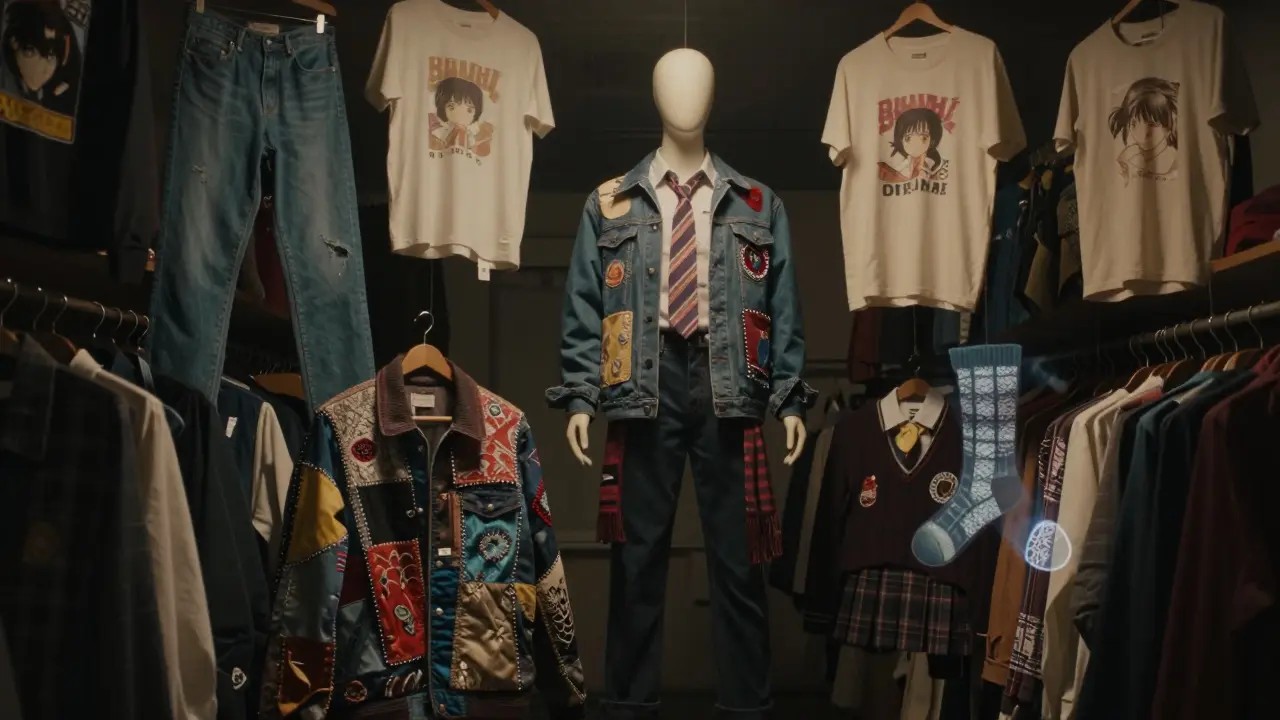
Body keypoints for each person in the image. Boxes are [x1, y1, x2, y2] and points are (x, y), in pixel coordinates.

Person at [1108, 76, 1179, 185]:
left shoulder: (1175, 156)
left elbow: (1174, 177)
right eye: (1133, 123)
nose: (1142, 134)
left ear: (1170, 125)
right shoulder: (1130, 153)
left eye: (1152, 124)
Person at [878, 107, 947, 183]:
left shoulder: (933, 166)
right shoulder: (902, 166)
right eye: (908, 138)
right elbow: (899, 170)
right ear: (901, 140)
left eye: (924, 138)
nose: (915, 144)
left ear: (932, 142)